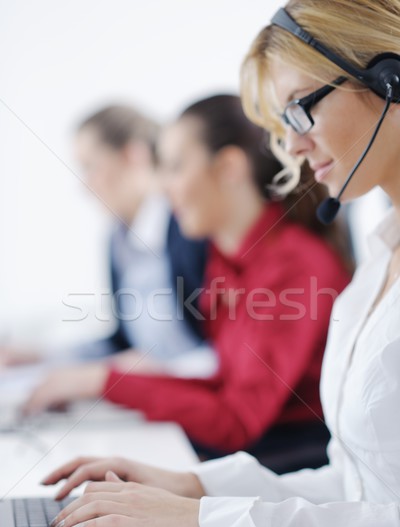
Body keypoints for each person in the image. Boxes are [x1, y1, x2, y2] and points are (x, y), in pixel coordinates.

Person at [42, 1, 400, 527]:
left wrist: (203, 518)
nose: (291, 143)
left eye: (298, 108)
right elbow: (360, 482)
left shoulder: (302, 266)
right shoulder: (378, 264)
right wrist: (193, 488)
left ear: (391, 81)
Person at [24, 94, 351, 470]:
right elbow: (224, 384)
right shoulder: (225, 261)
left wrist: (105, 382)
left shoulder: (293, 265)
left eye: (176, 167)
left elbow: (237, 421)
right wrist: (105, 381)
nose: (163, 188)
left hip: (298, 461)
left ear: (229, 166)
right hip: (259, 452)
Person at [0, 104, 211, 374]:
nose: (85, 185)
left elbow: (220, 349)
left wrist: (154, 372)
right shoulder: (118, 241)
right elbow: (123, 344)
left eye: (91, 167)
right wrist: (43, 356)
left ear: (133, 156)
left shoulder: (191, 227)